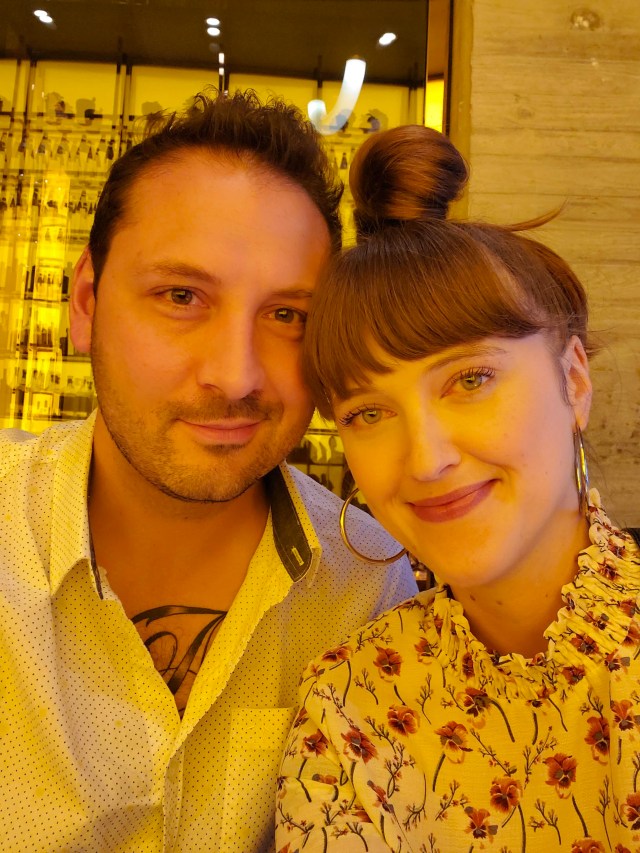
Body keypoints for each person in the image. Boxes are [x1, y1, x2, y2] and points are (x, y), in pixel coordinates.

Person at [0, 91, 417, 852]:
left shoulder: (368, 589)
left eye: (288, 315)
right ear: (86, 301)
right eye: (182, 296)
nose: (235, 374)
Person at [276, 124, 640, 852]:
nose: (427, 459)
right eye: (369, 412)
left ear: (573, 380)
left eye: (470, 379)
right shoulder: (350, 706)